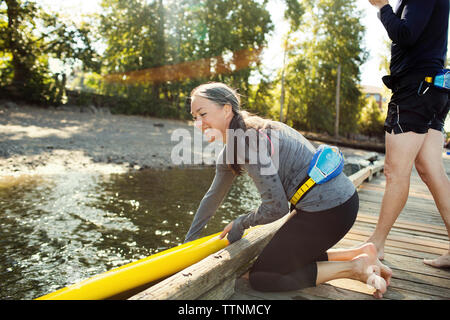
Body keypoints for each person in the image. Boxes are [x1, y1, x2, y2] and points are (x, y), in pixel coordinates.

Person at [184, 82, 392, 298]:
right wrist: (188, 244)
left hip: (329, 211)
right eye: (194, 117)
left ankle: (355, 268)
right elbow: (212, 198)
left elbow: (276, 208)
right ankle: (360, 252)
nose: (198, 123)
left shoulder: (247, 142)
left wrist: (241, 222)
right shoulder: (241, 140)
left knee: (262, 277)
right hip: (337, 204)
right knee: (282, 258)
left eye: (202, 114)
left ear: (226, 109)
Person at [367, 0, 450, 267]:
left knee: (395, 171)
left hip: (417, 90)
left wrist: (382, 8)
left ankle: (375, 246)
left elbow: (406, 34)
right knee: (431, 170)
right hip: (433, 88)